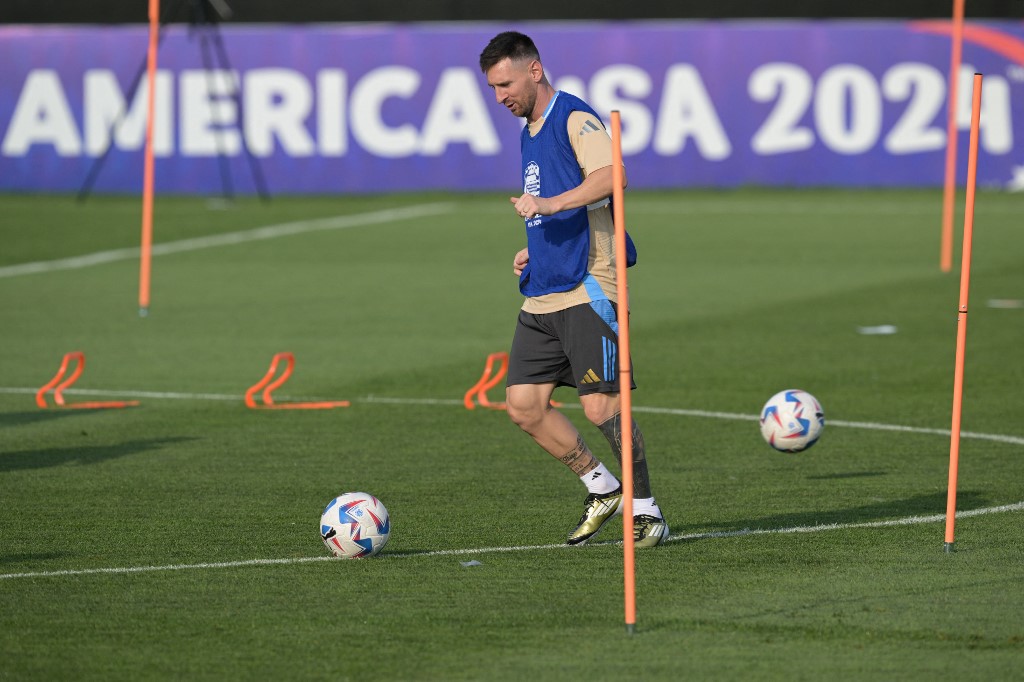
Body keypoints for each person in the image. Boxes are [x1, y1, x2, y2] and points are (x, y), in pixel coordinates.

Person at [478, 31, 668, 547]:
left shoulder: (573, 116)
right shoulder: (529, 127)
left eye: (506, 83)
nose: (501, 97)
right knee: (523, 405)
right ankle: (601, 487)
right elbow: (552, 201)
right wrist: (534, 248)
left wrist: (549, 207)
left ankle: (646, 511)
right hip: (545, 284)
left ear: (534, 69)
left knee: (601, 406)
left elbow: (612, 176)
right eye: (493, 88)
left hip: (589, 283)